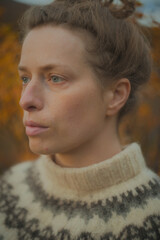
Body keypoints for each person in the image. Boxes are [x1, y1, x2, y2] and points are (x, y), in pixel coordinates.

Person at [0, 0, 160, 239]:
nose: (26, 100)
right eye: (25, 78)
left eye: (55, 78)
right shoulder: (10, 188)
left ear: (115, 95)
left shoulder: (153, 218)